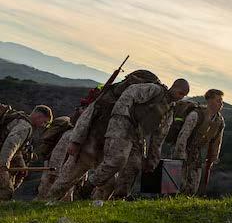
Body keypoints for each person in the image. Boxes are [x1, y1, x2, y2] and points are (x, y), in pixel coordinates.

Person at [47, 77, 190, 201]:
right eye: (180, 93)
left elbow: (159, 136)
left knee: (131, 167)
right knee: (77, 174)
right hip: (114, 129)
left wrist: (152, 159)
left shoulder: (168, 109)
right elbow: (129, 94)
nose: (181, 97)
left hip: (132, 137)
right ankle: (50, 200)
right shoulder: (154, 90)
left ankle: (107, 199)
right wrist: (121, 118)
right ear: (174, 87)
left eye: (184, 95)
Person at [172, 89, 225, 196]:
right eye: (218, 100)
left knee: (193, 185)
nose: (221, 104)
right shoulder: (196, 115)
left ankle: (186, 201)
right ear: (209, 100)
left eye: (221, 101)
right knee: (176, 183)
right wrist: (180, 156)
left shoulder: (219, 121)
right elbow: (183, 135)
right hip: (183, 150)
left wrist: (213, 158)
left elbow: (217, 141)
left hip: (197, 154)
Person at [0, 104, 53, 200]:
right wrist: (3, 166)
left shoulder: (22, 122)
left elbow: (18, 150)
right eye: (45, 122)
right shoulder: (25, 127)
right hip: (2, 162)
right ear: (39, 116)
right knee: (6, 191)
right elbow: (10, 145)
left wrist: (22, 165)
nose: (44, 125)